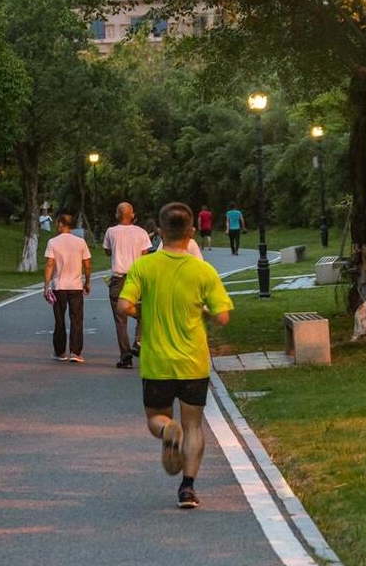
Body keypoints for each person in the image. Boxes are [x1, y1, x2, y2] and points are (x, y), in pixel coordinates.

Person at [116, 202, 233, 509]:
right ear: (191, 232)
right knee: (193, 425)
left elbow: (123, 306)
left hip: (157, 361)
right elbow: (223, 317)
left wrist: (141, 310)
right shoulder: (203, 271)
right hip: (193, 361)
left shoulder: (144, 267)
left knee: (156, 417)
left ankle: (168, 429)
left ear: (159, 231)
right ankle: (187, 488)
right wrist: (204, 312)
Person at [102, 202, 153, 368]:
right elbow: (145, 255)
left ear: (117, 215)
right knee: (144, 311)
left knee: (120, 320)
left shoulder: (111, 232)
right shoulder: (141, 232)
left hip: (118, 279)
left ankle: (125, 358)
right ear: (132, 215)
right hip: (138, 278)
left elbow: (107, 251)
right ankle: (138, 341)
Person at [43, 212, 92, 362]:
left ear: (61, 224)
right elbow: (87, 265)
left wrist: (46, 285)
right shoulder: (80, 242)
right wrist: (87, 281)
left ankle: (60, 352)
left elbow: (50, 265)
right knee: (76, 319)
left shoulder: (53, 242)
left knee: (59, 319)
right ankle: (75, 352)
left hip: (59, 286)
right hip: (76, 286)